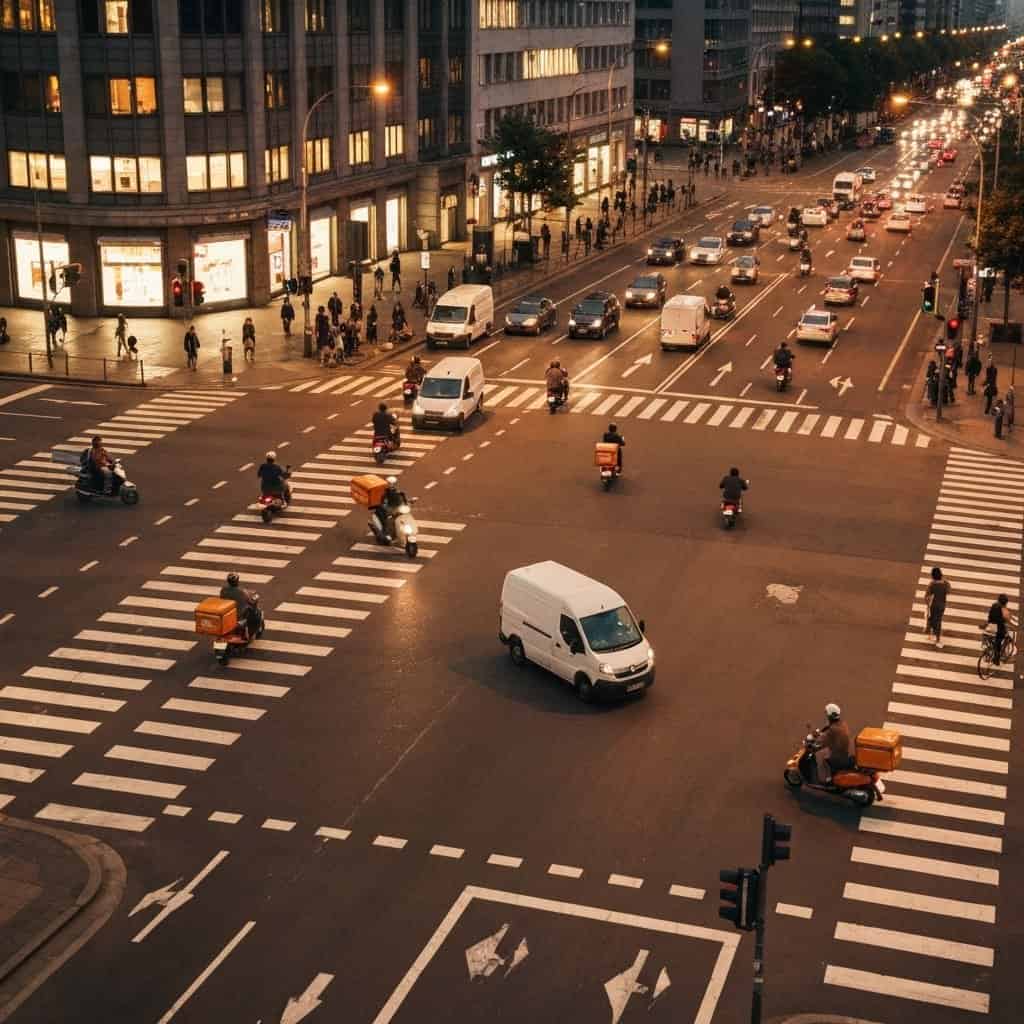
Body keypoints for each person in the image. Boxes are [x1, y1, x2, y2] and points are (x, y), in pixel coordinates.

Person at [814, 703, 852, 785]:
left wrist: (816, 745)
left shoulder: (833, 730)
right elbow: (828, 732)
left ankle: (826, 781)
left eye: (827, 714)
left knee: (822, 759)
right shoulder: (841, 724)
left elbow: (824, 742)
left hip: (838, 756)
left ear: (830, 715)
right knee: (825, 753)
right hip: (844, 752)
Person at [220, 572, 257, 640]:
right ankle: (248, 635)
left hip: (227, 615)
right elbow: (249, 600)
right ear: (237, 581)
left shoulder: (223, 590)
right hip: (239, 616)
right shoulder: (242, 591)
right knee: (253, 614)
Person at [373, 476, 408, 541]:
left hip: (397, 509)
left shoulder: (400, 492)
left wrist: (408, 504)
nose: (392, 485)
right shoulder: (384, 493)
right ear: (387, 484)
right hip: (389, 509)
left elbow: (405, 500)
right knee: (388, 521)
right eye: (390, 483)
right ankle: (386, 534)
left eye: (393, 483)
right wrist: (386, 507)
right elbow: (383, 502)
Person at [924, 567, 951, 649]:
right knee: (938, 620)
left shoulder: (932, 584)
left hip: (934, 605)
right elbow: (948, 591)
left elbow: (926, 596)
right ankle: (936, 637)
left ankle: (932, 634)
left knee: (932, 619)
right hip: (942, 605)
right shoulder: (945, 584)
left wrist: (927, 604)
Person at [987, 594, 1016, 665]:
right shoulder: (1003, 609)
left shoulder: (994, 605)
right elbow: (1007, 618)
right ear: (1005, 603)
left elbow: (990, 615)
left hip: (991, 625)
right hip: (998, 629)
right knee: (1000, 640)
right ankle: (996, 659)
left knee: (996, 640)